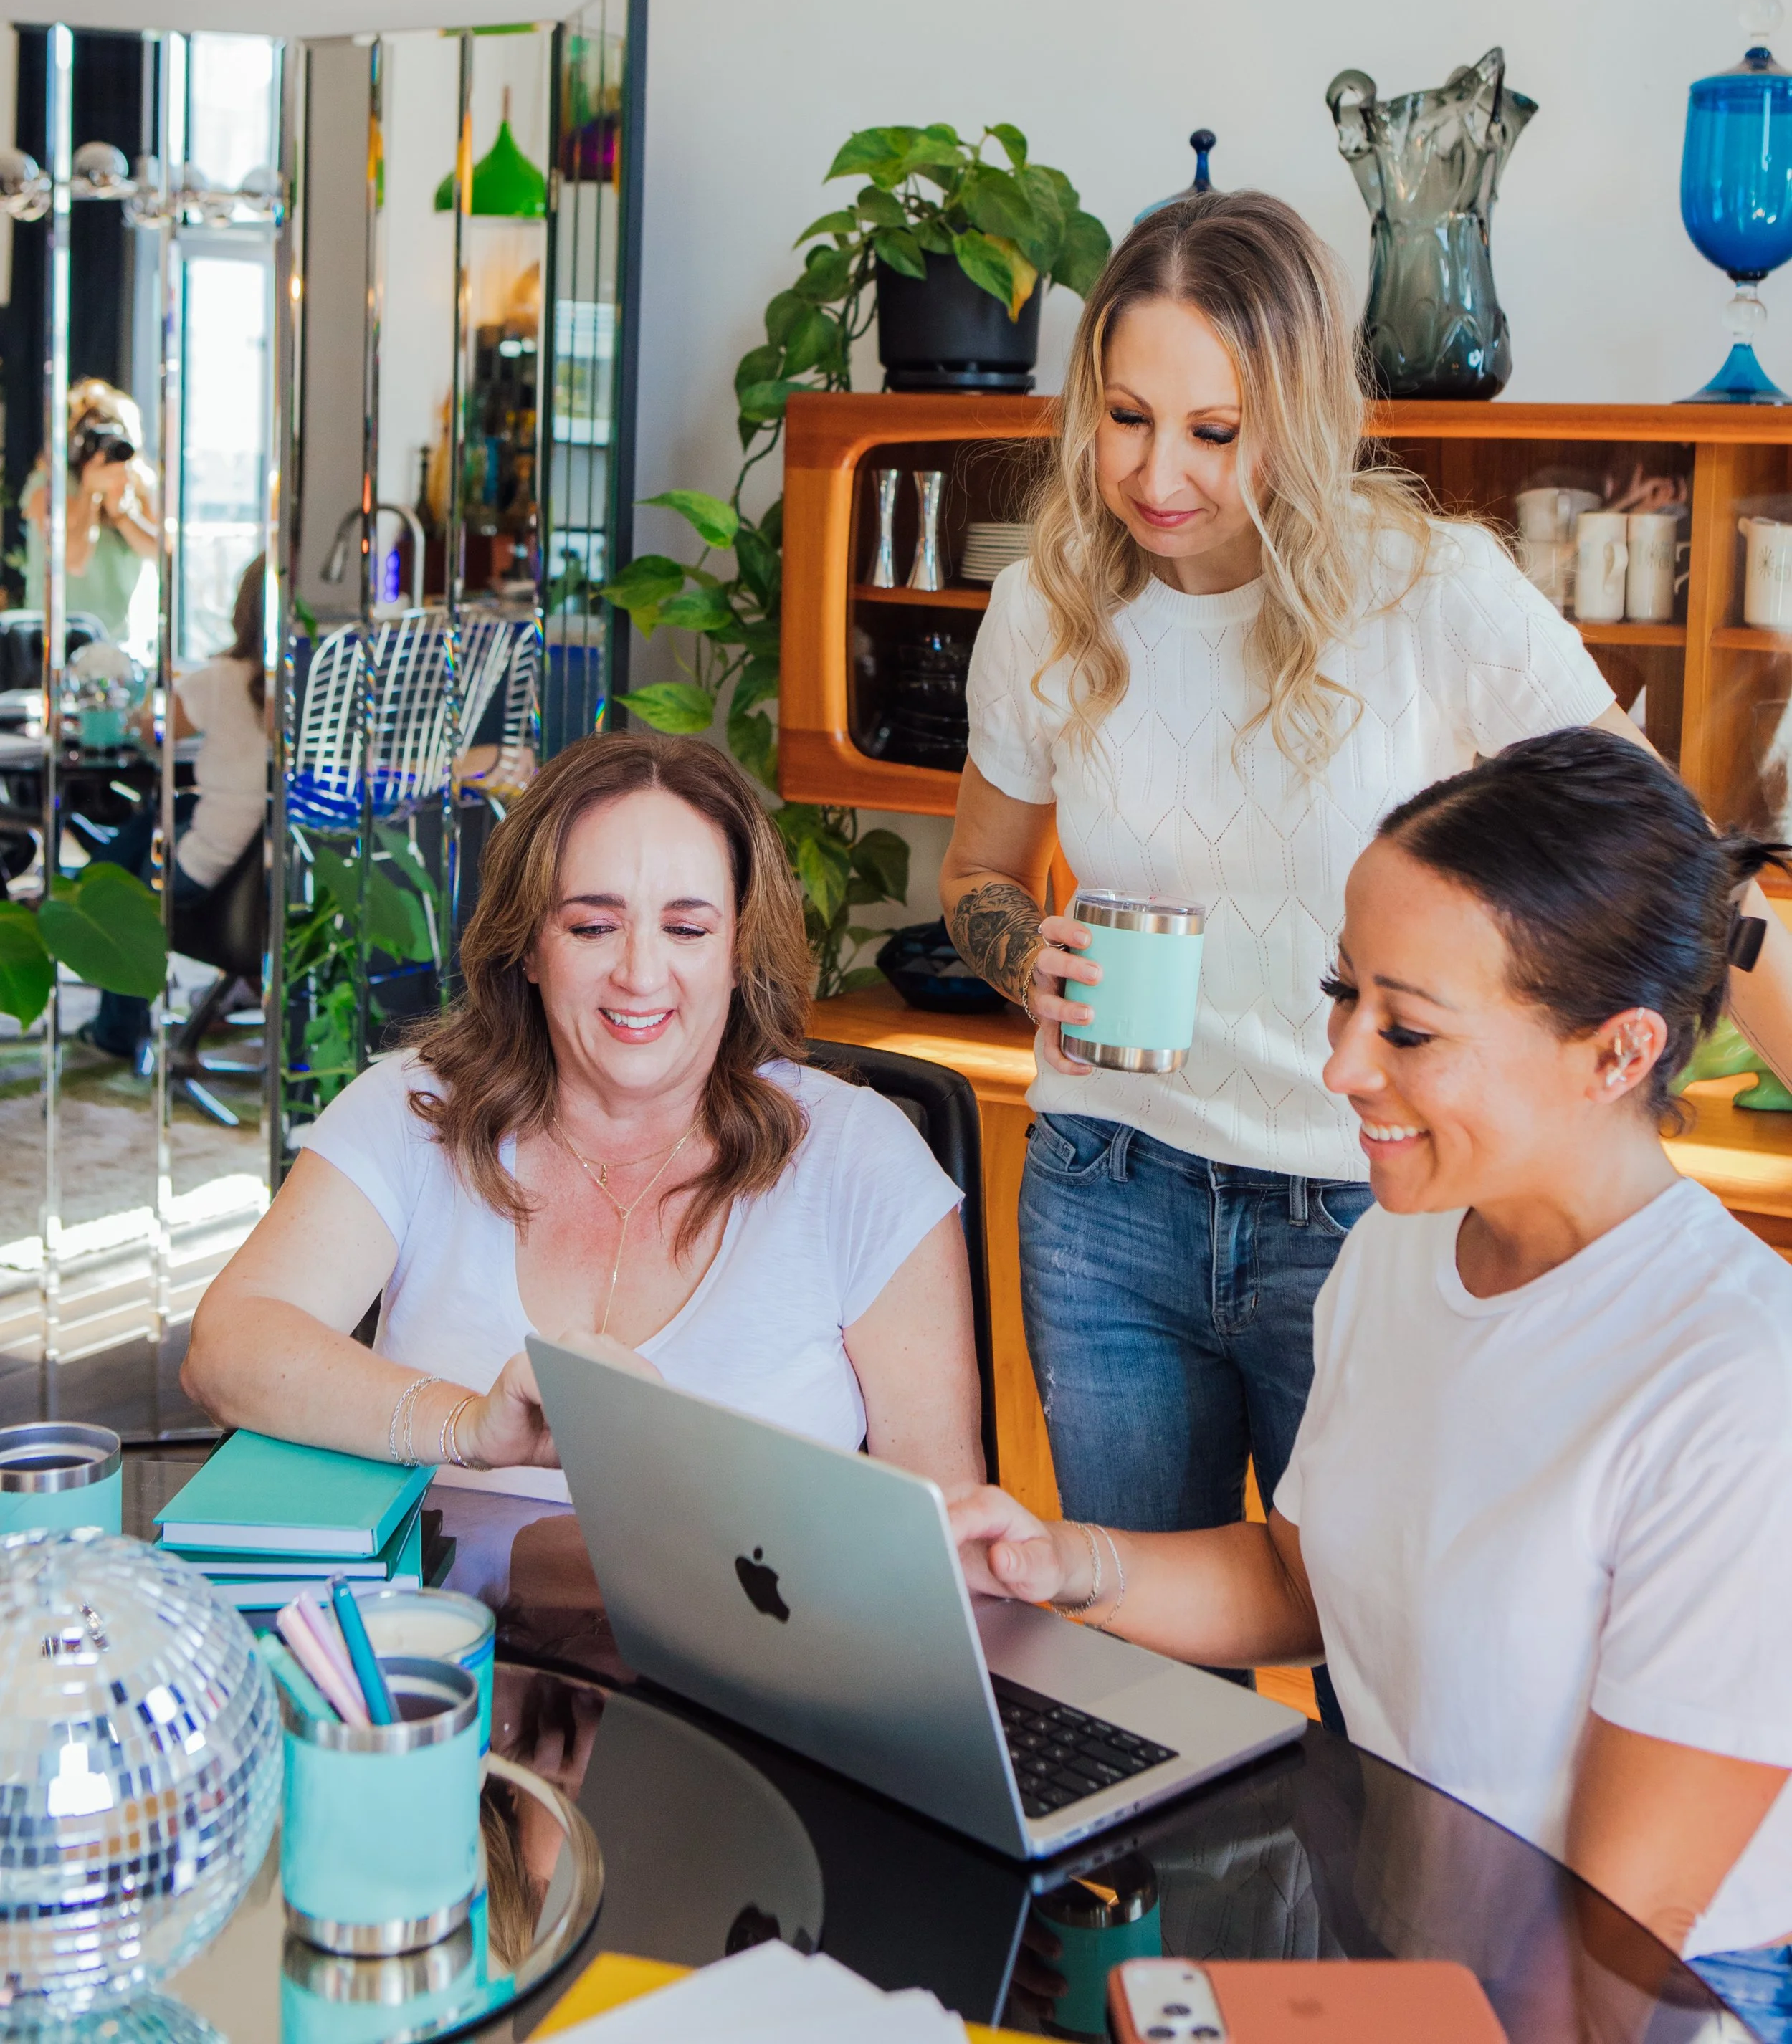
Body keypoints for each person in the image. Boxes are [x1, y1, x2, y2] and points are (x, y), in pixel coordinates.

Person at [950, 732, 1792, 2029]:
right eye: (1346, 994)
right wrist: (1064, 1565)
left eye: (1407, 1028)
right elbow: (1305, 1577)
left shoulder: (1734, 1390)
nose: (1341, 1063)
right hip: (1421, 1953)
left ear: (1618, 1054)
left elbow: (1609, 1962)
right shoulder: (1400, 1250)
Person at [940, 191, 1641, 1714]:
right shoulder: (1041, 606)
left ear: (1301, 418)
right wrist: (1022, 960)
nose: (1159, 474)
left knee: (1377, 1661)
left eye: (1216, 429)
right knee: (1128, 1670)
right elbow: (979, 877)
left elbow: (1622, 830)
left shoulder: (1429, 595)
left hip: (1363, 1210)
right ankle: (1155, 1957)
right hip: (1107, 1197)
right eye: (1126, 418)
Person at [184, 730, 985, 1497]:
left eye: (685, 927)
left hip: (756, 1638)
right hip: (439, 1624)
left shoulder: (860, 1159)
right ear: (528, 947)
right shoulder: (414, 1110)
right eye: (593, 925)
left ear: (739, 954)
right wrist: (468, 1426)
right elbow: (228, 1349)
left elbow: (948, 1528)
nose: (639, 973)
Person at [86, 553, 270, 1063]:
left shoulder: (222, 677)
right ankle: (95, 878)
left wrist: (166, 690)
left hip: (205, 869)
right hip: (259, 870)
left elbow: (154, 730)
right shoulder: (308, 684)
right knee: (160, 819)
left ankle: (116, 1032)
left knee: (130, 899)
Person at [22, 378, 158, 646]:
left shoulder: (138, 483)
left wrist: (121, 514)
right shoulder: (50, 486)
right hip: (57, 642)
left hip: (122, 645)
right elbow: (73, 560)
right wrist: (90, 495)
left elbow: (162, 552)